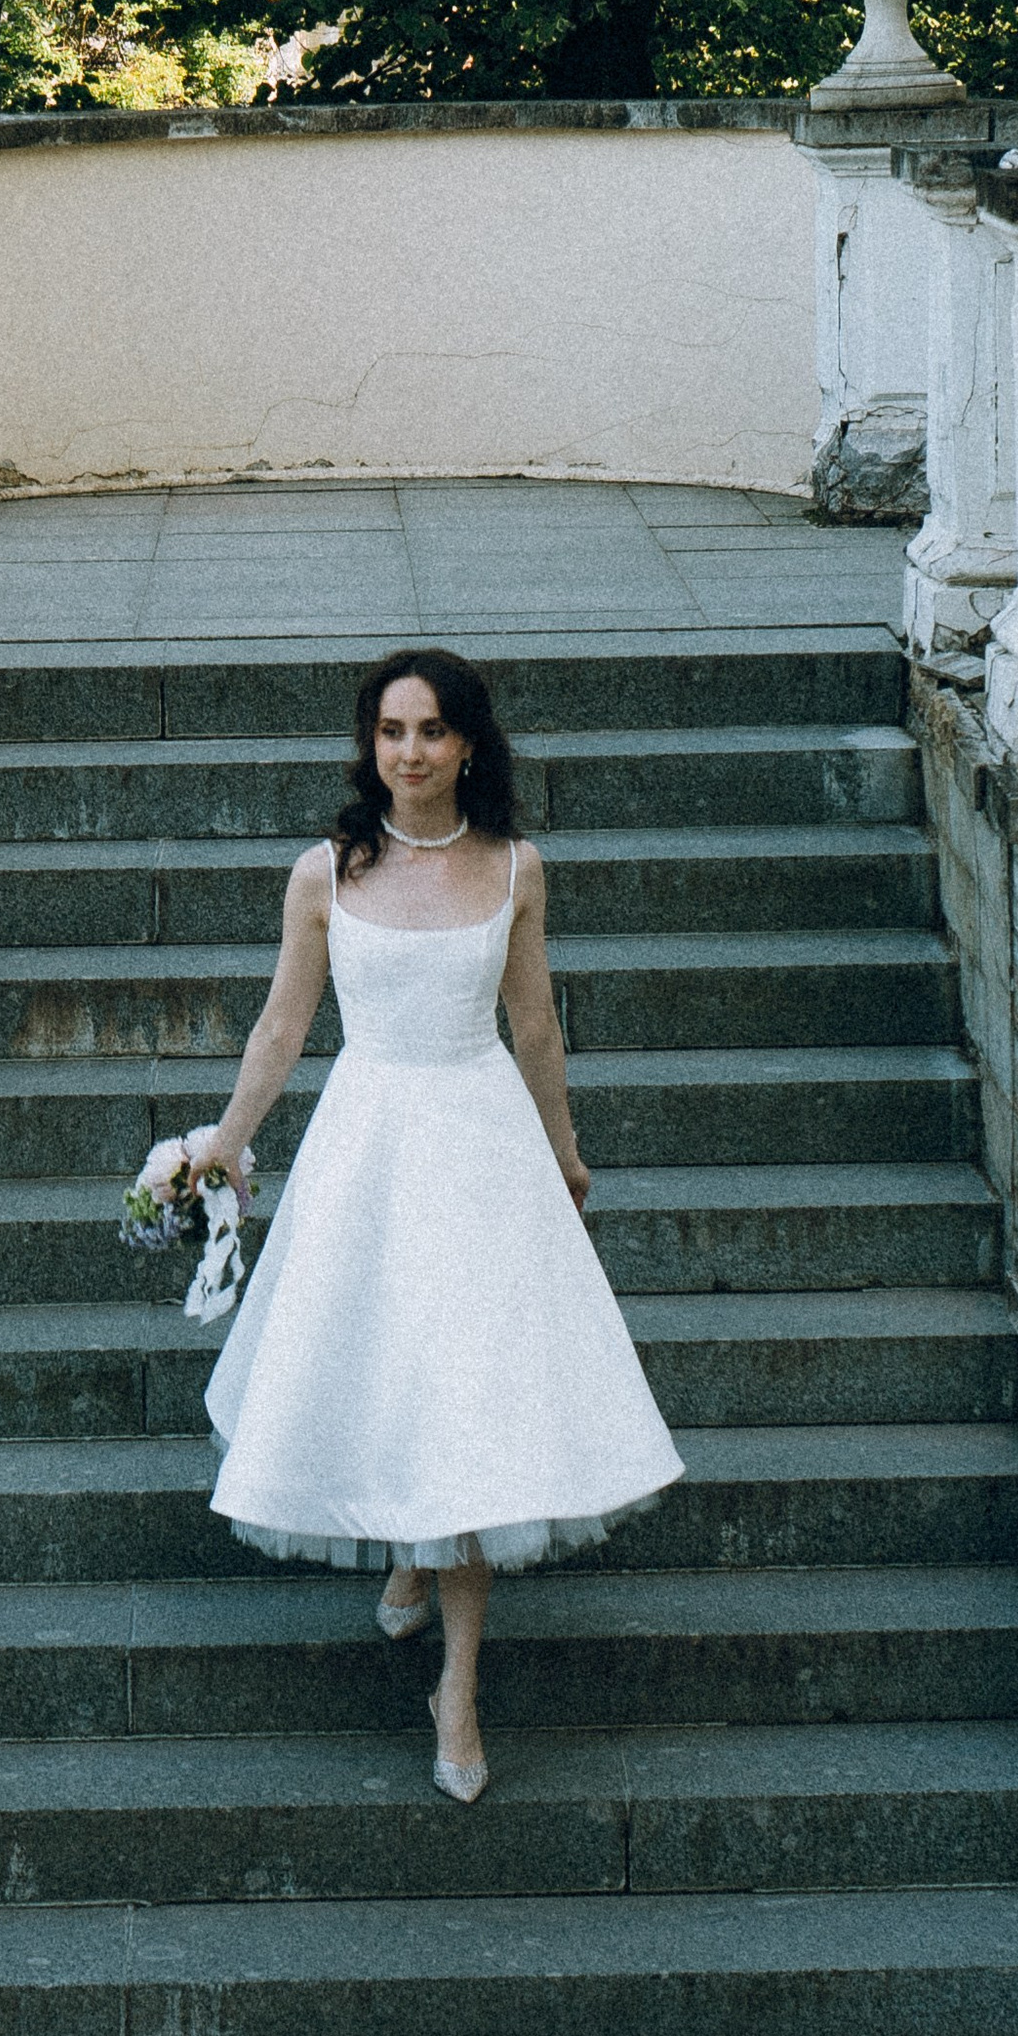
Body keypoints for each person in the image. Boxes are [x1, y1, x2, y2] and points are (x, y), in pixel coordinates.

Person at [189, 649, 682, 1805]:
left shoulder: (514, 869)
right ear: (373, 746)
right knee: (393, 1371)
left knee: (470, 1403)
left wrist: (562, 1151)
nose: (409, 752)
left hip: (479, 1147)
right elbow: (281, 1026)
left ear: (468, 744)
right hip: (369, 1146)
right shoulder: (322, 876)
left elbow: (537, 1026)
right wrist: (224, 1140)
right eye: (391, 732)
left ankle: (455, 1688)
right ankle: (412, 1563)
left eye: (431, 731)